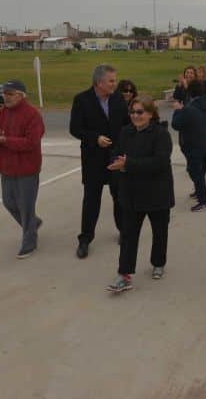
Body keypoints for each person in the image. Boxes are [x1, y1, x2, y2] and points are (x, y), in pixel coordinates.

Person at [105, 96, 175, 292]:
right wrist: (117, 161)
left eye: (140, 112)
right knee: (128, 235)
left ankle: (158, 263)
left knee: (159, 232)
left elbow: (160, 162)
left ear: (150, 114)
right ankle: (124, 274)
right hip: (131, 194)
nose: (135, 116)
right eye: (132, 112)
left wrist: (128, 164)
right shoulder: (126, 132)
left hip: (157, 194)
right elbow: (116, 152)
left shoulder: (161, 134)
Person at [70, 64, 130, 258]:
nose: (115, 84)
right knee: (91, 200)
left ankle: (123, 231)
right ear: (99, 82)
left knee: (119, 196)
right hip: (93, 159)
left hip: (115, 157)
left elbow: (125, 125)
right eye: (111, 81)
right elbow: (75, 128)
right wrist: (95, 138)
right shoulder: (82, 100)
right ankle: (85, 239)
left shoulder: (118, 99)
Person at [0, 80, 46, 259]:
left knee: (26, 206)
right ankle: (33, 223)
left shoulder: (32, 114)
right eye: (4, 93)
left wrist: (6, 141)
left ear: (21, 95)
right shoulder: (2, 112)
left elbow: (31, 142)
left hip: (27, 168)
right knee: (9, 202)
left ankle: (29, 241)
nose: (6, 96)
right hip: (6, 167)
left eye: (10, 93)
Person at [172, 80, 206, 212]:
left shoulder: (189, 108)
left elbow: (176, 124)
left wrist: (178, 110)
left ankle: (203, 201)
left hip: (193, 145)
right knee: (201, 171)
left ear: (190, 92)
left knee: (195, 172)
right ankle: (199, 191)